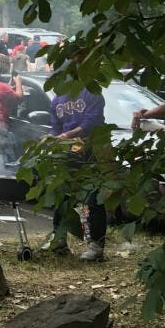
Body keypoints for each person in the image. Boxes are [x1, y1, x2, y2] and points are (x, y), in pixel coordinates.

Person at [43, 88, 107, 261]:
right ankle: (59, 239)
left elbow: (91, 122)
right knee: (62, 194)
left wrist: (67, 135)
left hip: (93, 149)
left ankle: (96, 245)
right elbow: (55, 127)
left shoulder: (91, 93)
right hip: (67, 150)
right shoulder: (57, 99)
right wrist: (50, 139)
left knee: (93, 197)